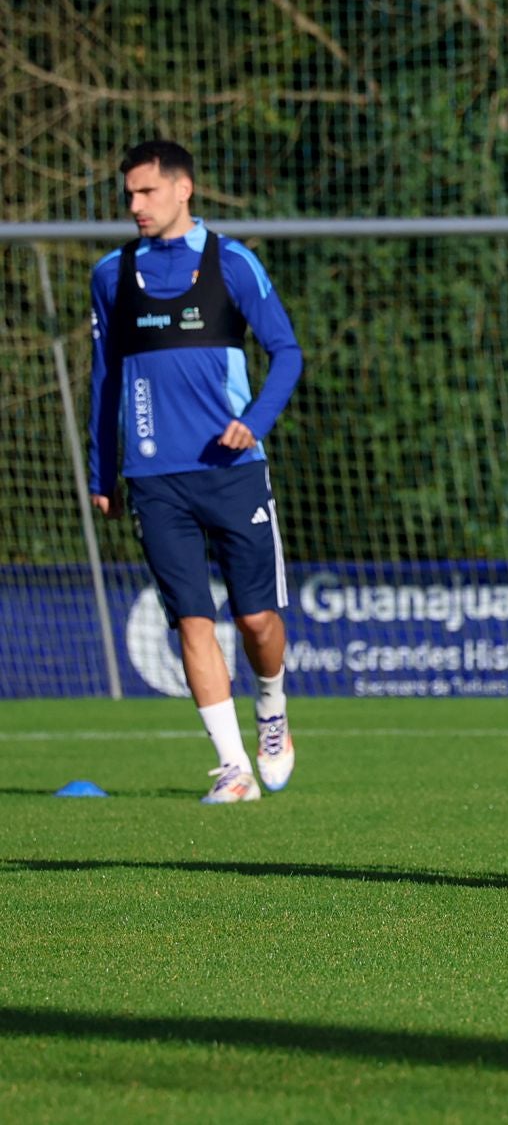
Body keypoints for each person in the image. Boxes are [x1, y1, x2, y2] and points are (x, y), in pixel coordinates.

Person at [89, 141, 305, 804]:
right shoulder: (111, 274)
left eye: (146, 192)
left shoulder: (231, 262)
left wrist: (256, 421)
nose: (134, 206)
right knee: (191, 620)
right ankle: (232, 767)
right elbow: (104, 380)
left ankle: (271, 708)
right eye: (128, 194)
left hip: (234, 470)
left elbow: (287, 352)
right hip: (156, 479)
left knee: (256, 621)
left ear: (183, 189)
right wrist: (104, 472)